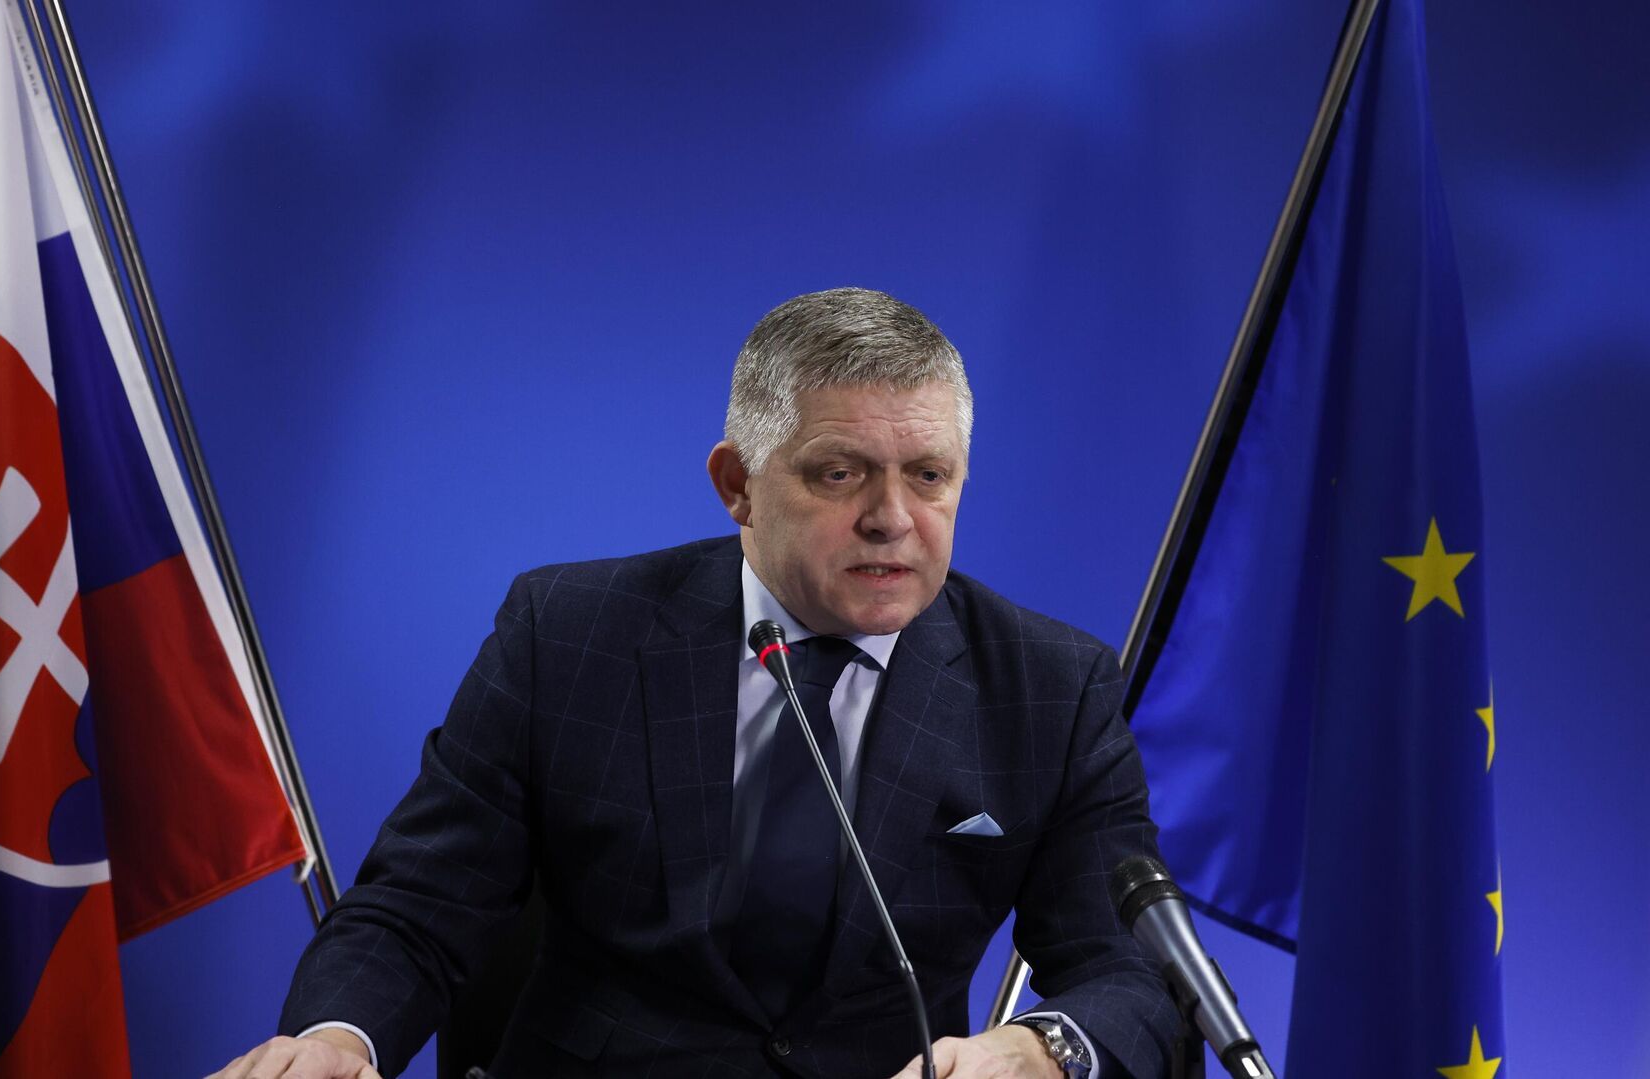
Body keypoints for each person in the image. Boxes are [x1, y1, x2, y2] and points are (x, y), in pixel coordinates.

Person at [213, 289, 1178, 1079]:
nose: (892, 517)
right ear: (737, 484)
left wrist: (1043, 1049)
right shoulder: (569, 634)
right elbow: (420, 904)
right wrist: (337, 1037)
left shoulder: (1050, 689)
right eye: (840, 474)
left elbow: (1133, 977)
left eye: (928, 475)